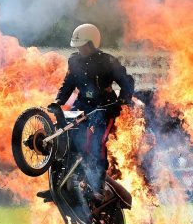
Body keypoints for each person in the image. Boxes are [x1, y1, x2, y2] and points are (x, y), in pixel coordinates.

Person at [47, 23, 134, 202]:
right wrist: (58, 101)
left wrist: (124, 98)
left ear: (92, 44)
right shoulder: (74, 60)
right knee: (66, 137)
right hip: (82, 106)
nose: (80, 49)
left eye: (83, 46)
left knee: (97, 144)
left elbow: (127, 81)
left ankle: (98, 188)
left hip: (105, 109)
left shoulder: (108, 61)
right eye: (78, 46)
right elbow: (68, 83)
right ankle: (62, 184)